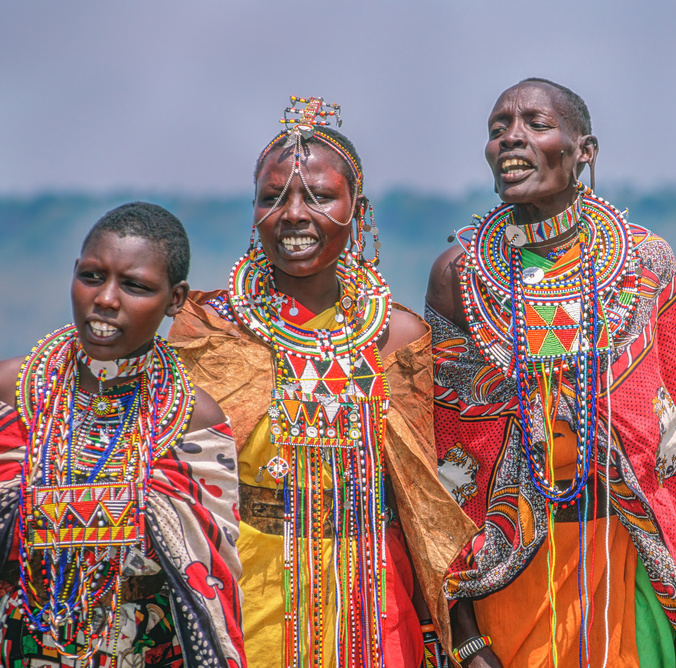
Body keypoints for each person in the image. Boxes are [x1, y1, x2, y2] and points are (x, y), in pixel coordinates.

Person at [168, 97, 475, 668]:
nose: (293, 213)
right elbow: (173, 485)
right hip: (248, 588)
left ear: (358, 208)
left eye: (319, 195)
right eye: (273, 196)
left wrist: (467, 634)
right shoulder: (208, 329)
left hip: (375, 594)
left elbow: (424, 498)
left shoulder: (399, 336)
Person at [426, 78, 676, 668]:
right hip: (510, 573)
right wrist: (463, 631)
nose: (511, 138)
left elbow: (675, 438)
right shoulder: (459, 274)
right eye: (497, 129)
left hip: (631, 557)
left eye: (536, 124)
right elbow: (447, 467)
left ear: (584, 149)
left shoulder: (644, 263)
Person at [0, 202, 246, 667]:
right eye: (92, 276)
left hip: (143, 651)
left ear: (175, 300)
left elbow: (210, 576)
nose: (107, 299)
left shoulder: (193, 418)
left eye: (135, 286)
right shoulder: (11, 391)